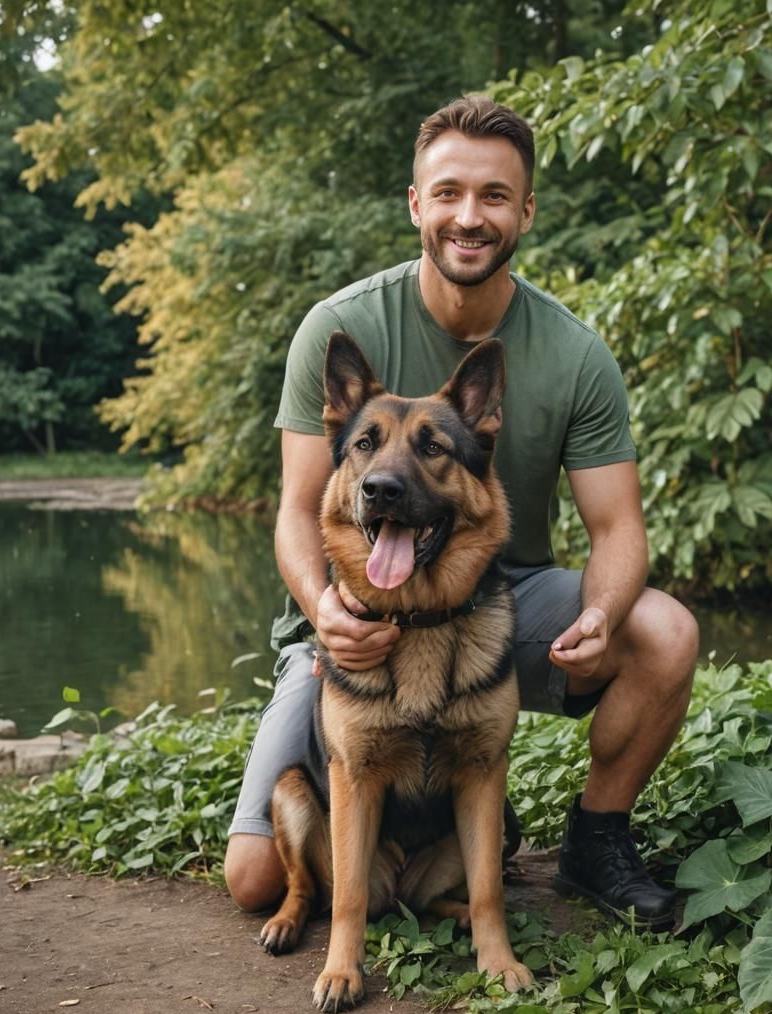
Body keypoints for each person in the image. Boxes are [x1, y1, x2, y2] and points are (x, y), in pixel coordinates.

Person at [225, 95, 698, 930]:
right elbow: (300, 511)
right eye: (447, 193)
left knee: (663, 632)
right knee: (257, 877)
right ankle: (443, 817)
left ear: (525, 211)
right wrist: (323, 611)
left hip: (497, 603)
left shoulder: (575, 354)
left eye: (492, 196)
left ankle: (595, 841)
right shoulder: (337, 326)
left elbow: (619, 528)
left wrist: (602, 611)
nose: (468, 217)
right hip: (356, 615)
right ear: (417, 204)